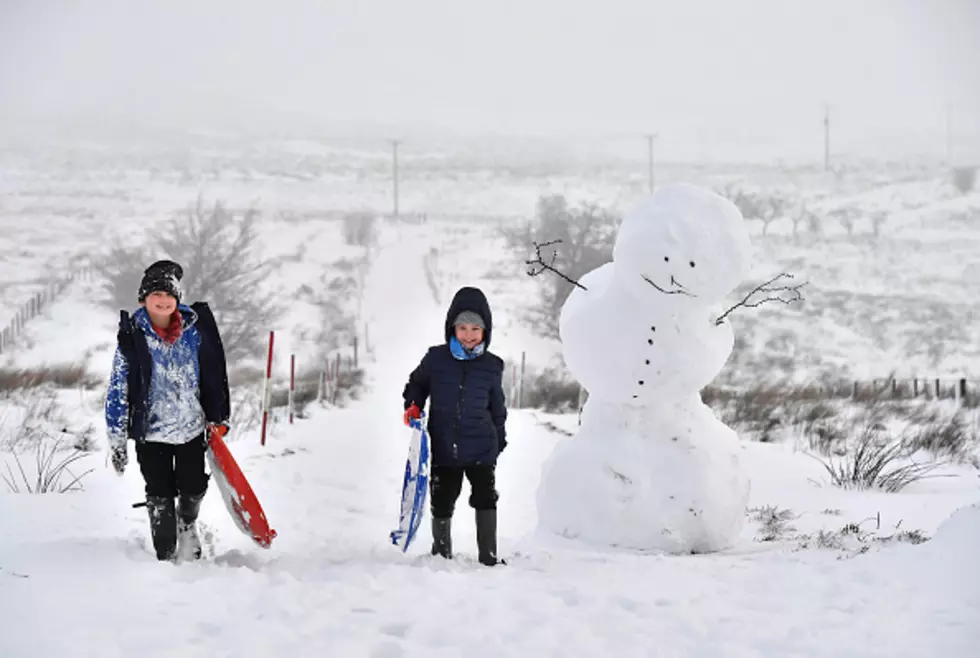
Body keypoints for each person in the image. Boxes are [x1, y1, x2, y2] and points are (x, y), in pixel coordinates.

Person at [105, 259, 230, 562]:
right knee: (159, 491)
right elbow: (117, 391)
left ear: (177, 300)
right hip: (151, 433)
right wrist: (117, 440)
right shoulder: (132, 338)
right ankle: (165, 549)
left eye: (169, 295)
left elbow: (213, 374)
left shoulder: (194, 331)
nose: (163, 301)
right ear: (143, 299)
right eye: (155, 295)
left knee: (194, 485)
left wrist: (219, 417)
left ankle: (187, 523)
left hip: (189, 428)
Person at [402, 286, 508, 566]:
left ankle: (489, 556)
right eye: (463, 328)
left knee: (486, 498)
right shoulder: (436, 359)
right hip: (444, 445)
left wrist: (500, 438)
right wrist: (413, 404)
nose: (469, 335)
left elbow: (497, 407)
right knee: (442, 499)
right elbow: (417, 384)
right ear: (452, 328)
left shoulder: (492, 365)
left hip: (482, 447)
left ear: (486, 331)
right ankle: (441, 553)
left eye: (476, 328)